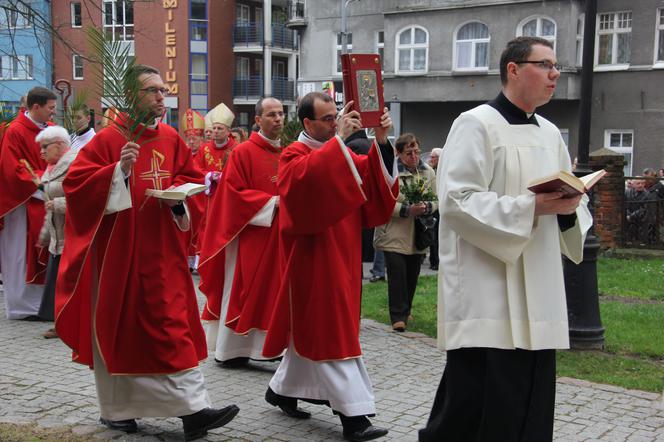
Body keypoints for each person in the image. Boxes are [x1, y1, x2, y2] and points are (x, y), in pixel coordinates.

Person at [419, 37, 593, 442]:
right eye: (544, 64)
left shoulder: (551, 133)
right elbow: (457, 201)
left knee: (530, 403)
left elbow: (567, 199)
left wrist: (569, 208)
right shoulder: (475, 124)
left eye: (556, 66)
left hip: (539, 284)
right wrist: (531, 208)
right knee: (475, 403)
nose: (555, 74)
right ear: (513, 69)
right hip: (488, 289)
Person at [54, 64, 239, 440]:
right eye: (153, 90)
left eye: (162, 90)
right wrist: (117, 172)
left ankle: (194, 410)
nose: (161, 97)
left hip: (162, 254)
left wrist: (177, 202)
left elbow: (188, 180)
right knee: (121, 331)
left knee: (170, 328)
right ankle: (118, 411)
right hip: (119, 257)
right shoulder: (109, 139)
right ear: (131, 96)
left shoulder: (171, 137)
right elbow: (76, 186)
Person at [262, 92, 397, 442]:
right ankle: (355, 416)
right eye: (327, 119)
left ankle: (283, 390)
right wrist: (338, 141)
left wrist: (380, 140)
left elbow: (369, 178)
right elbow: (301, 189)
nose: (334, 122)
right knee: (331, 334)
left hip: (345, 255)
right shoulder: (294, 154)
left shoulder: (341, 151)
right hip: (314, 260)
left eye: (335, 116)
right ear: (307, 123)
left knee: (316, 333)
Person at [199, 96, 285, 367]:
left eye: (281, 114)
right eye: (271, 114)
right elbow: (232, 194)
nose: (278, 119)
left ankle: (268, 349)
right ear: (258, 120)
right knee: (243, 291)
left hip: (279, 235)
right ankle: (232, 351)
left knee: (274, 292)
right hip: (250, 234)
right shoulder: (243, 152)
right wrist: (271, 203)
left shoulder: (288, 152)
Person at [0, 86, 55, 320]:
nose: (53, 113)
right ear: (35, 107)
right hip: (22, 203)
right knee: (20, 254)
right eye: (50, 108)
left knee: (48, 249)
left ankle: (46, 303)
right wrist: (42, 184)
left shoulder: (52, 130)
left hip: (49, 199)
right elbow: (13, 168)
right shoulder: (15, 131)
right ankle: (22, 307)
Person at [373, 133, 437, 332]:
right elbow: (382, 202)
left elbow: (437, 199)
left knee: (412, 275)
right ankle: (398, 317)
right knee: (397, 274)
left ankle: (406, 309)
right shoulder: (391, 172)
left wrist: (426, 207)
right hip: (393, 233)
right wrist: (407, 210)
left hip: (418, 234)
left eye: (417, 152)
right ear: (398, 153)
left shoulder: (428, 172)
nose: (414, 156)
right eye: (409, 152)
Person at [36, 126, 77, 339]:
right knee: (57, 285)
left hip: (73, 237)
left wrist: (59, 204)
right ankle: (61, 325)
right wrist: (44, 237)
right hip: (57, 238)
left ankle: (71, 326)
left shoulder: (75, 163)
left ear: (60, 145)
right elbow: (47, 206)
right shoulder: (50, 169)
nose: (41, 151)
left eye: (45, 147)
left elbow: (86, 198)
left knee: (69, 284)